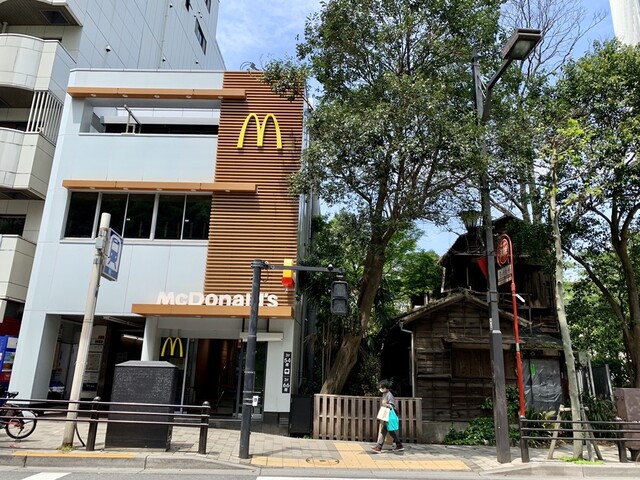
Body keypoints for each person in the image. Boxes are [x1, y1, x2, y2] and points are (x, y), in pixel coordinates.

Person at [371, 380, 404, 453]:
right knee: (388, 431)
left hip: (389, 415)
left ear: (385, 387)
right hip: (387, 415)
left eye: (381, 387)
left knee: (386, 431)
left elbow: (392, 406)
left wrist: (386, 404)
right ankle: (398, 445)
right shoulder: (385, 393)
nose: (380, 389)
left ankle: (379, 447)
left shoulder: (389, 395)